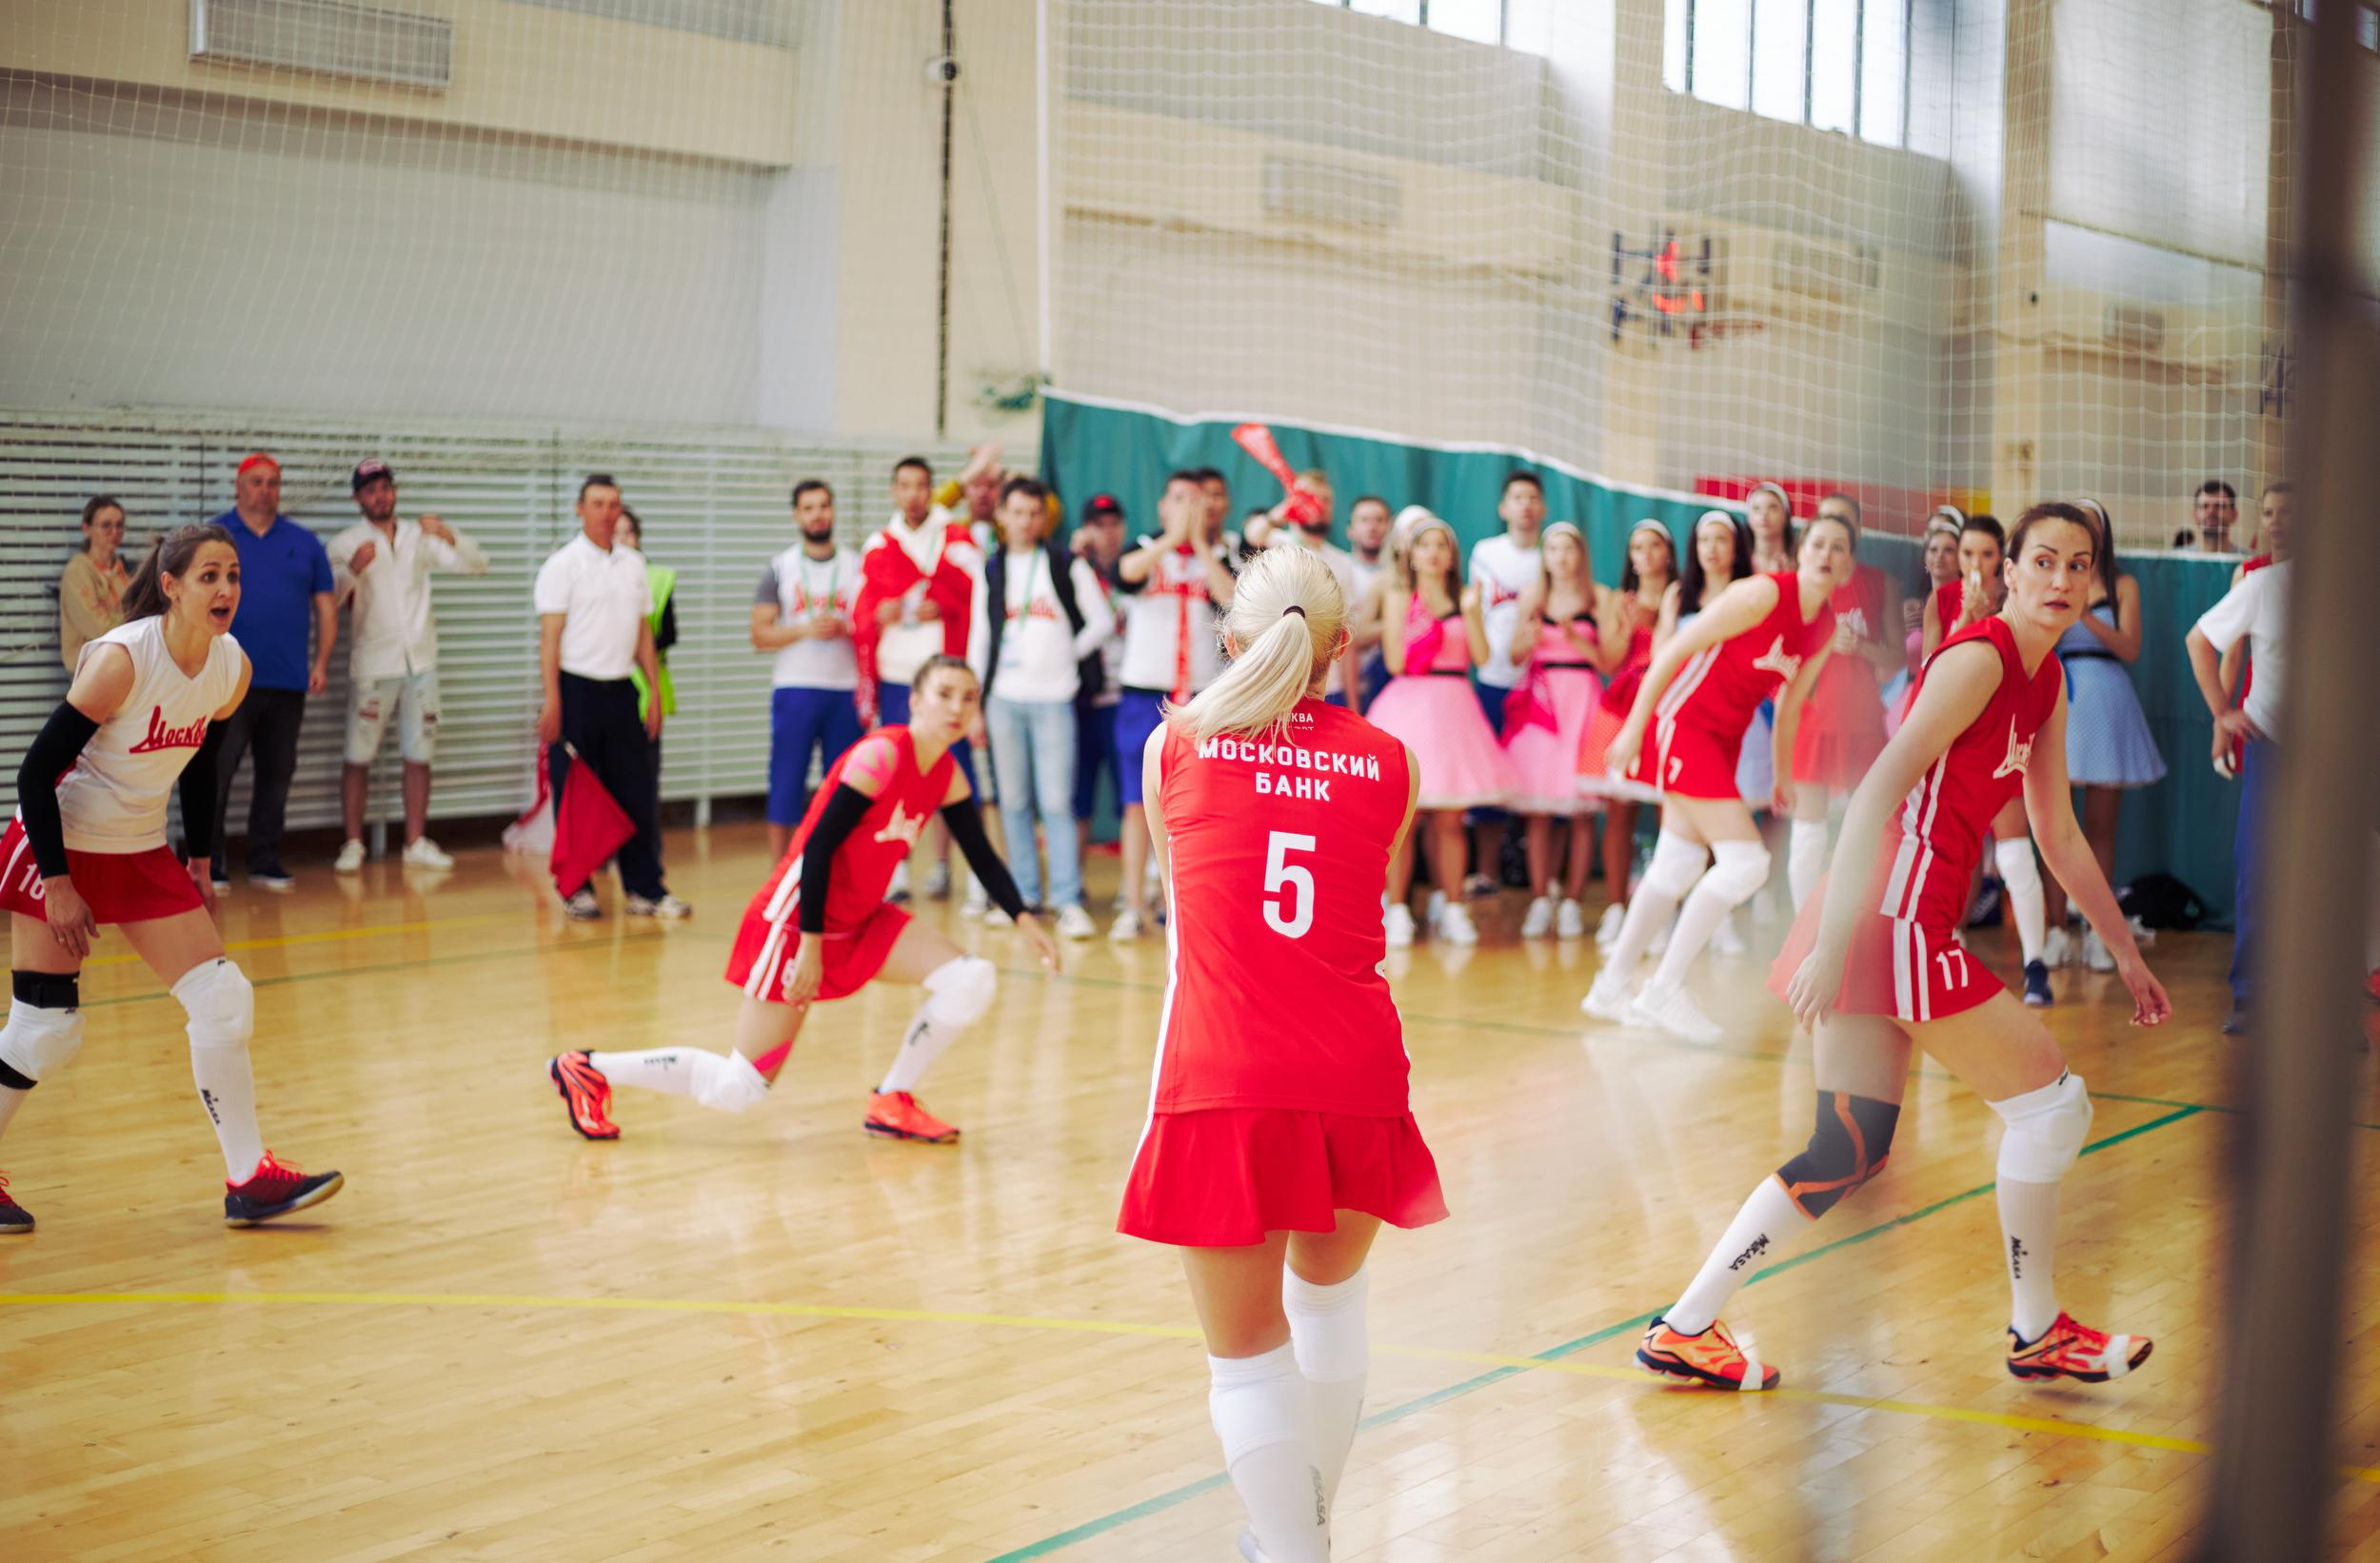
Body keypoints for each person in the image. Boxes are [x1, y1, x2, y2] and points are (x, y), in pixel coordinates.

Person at [1636, 504, 2168, 1392]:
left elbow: (2060, 835)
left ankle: (1683, 1326)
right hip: (1884, 917)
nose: (2062, 580)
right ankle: (2035, 1330)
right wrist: (1832, 943)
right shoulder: (1978, 659)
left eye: (2080, 566)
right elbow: (1873, 795)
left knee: (1846, 1149)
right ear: (2007, 573)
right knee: (2053, 1107)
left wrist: (2128, 954)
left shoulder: (2048, 684)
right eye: (2044, 560)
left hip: (1884, 923)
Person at [1118, 544, 1445, 1563]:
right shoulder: (1394, 760)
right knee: (1329, 1311)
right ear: (1343, 648)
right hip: (1357, 1071)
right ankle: (1298, 1532)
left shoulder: (1171, 746)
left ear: (1228, 640)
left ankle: (1294, 1545)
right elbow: (1363, 894)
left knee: (1248, 1365)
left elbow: (1185, 914)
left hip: (1227, 1072)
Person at [549, 656, 1060, 1147]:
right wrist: (810, 948)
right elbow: (817, 849)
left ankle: (891, 1101)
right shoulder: (880, 756)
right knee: (740, 1087)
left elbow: (983, 857)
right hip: (797, 922)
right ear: (916, 701)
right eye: (944, 694)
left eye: (967, 699)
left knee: (971, 978)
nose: (956, 707)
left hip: (860, 918)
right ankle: (589, 1069)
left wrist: (1025, 920)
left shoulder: (947, 774)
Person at [0, 524, 345, 1234]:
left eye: (234, 577)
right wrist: (59, 883)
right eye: (210, 577)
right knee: (44, 1034)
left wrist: (199, 863)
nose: (226, 590)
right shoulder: (125, 660)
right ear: (172, 587)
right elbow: (36, 773)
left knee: (224, 1000)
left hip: (139, 847)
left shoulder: (230, 668)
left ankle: (249, 1179)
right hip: (57, 841)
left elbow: (201, 765)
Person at [1580, 515, 1845, 1041]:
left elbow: (1790, 706)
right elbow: (1673, 651)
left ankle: (1610, 987)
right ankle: (1663, 987)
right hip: (1682, 724)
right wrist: (1635, 728)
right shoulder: (1762, 594)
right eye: (1817, 543)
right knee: (1747, 863)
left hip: (1723, 739)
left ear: (1849, 565)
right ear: (1800, 551)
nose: (1826, 554)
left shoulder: (1825, 628)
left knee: (1677, 863)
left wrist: (1783, 771)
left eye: (1839, 548)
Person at [533, 474, 686, 921]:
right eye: (598, 504)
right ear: (580, 509)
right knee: (578, 795)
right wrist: (553, 700)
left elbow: (643, 632)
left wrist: (653, 692)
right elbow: (549, 639)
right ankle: (577, 888)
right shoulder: (562, 565)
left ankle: (645, 889)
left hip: (622, 692)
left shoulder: (634, 564)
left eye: (613, 504)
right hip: (576, 689)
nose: (607, 512)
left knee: (636, 792)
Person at [326, 458, 488, 873]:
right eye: (371, 489)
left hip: (421, 660)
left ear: (394, 491)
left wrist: (450, 535)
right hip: (374, 663)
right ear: (357, 497)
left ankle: (415, 841)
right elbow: (330, 599)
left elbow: (476, 564)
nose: (380, 495)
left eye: (386, 487)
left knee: (420, 752)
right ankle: (352, 843)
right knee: (357, 754)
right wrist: (352, 571)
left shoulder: (419, 536)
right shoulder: (345, 543)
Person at [968, 477, 1113, 940]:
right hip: (1003, 699)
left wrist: (1068, 653)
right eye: (1017, 512)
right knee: (1012, 801)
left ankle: (1067, 899)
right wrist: (974, 703)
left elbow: (1103, 621)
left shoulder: (1065, 564)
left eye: (1035, 513)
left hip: (1054, 698)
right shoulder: (990, 569)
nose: (1026, 521)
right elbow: (980, 638)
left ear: (1044, 517)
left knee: (1056, 802)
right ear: (1002, 516)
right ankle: (1025, 896)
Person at [1918, 513, 2053, 1006]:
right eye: (1966, 554)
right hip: (1955, 743)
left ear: (2004, 560)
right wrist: (1966, 621)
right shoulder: (1945, 600)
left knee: (2016, 854)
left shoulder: (2021, 603)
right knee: (1947, 851)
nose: (1975, 563)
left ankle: (2036, 965)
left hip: (2006, 738)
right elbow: (1932, 675)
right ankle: (1942, 949)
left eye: (1986, 554)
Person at [1367, 510, 1515, 947]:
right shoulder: (1399, 597)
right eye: (1424, 545)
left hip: (1454, 712)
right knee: (1402, 821)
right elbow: (1394, 662)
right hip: (1409, 705)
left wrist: (1470, 614)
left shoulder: (1467, 597)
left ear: (1452, 556)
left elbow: (1484, 659)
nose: (1432, 554)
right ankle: (1396, 911)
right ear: (1410, 555)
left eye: (1441, 546)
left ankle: (1452, 908)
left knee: (1451, 821)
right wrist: (1420, 626)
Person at [1109, 471, 1239, 942]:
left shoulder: (1219, 558)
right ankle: (1133, 904)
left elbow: (1233, 601)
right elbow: (1127, 574)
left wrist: (1201, 546)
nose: (1188, 508)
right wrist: (1172, 540)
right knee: (1134, 802)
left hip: (1204, 698)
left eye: (1198, 501)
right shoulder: (1144, 550)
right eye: (1180, 499)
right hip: (1146, 692)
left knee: (1200, 802)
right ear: (1163, 505)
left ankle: (1187, 905)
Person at [2186, 492, 2295, 1036]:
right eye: (2271, 512)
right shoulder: (2261, 583)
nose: (2280, 523)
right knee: (2255, 864)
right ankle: (2250, 995)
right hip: (2272, 743)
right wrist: (2221, 715)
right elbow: (2202, 641)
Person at [200, 452, 335, 892]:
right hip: (225, 681)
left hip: (287, 680)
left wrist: (320, 662)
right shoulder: (214, 537)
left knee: (277, 773)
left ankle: (264, 860)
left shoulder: (304, 541)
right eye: (256, 482)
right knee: (216, 772)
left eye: (273, 482)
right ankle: (208, 863)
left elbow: (326, 606)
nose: (265, 490)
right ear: (239, 487)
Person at [854, 456, 984, 905]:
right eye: (904, 486)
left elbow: (976, 595)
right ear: (893, 491)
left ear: (931, 490)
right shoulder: (879, 545)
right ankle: (898, 868)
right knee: (897, 774)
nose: (912, 494)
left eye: (920, 486)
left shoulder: (955, 539)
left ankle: (950, 867)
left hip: (945, 679)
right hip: (897, 678)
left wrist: (944, 603)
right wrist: (879, 613)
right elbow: (863, 610)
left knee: (954, 774)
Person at [2041, 500, 2164, 971]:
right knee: (2054, 827)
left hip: (2108, 705)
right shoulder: (2053, 579)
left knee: (2099, 829)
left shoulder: (2124, 585)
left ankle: (2097, 932)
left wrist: (2085, 615)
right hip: (2059, 702)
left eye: (2090, 528)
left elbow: (2130, 647)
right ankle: (2056, 930)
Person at [1503, 523, 1623, 940]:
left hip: (1584, 700)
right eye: (1553, 549)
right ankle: (1540, 899)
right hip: (1543, 702)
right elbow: (1514, 656)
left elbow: (1609, 663)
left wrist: (1578, 639)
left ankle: (1572, 901)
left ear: (1580, 554)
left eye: (1569, 548)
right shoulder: (1534, 598)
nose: (1561, 557)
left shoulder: (1600, 597)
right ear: (1545, 555)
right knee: (1539, 811)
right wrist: (1527, 639)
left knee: (1582, 812)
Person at [1786, 494, 1900, 912]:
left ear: (1856, 536)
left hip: (1862, 719)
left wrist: (1859, 646)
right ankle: (1802, 924)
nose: (1833, 540)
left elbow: (1896, 660)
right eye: (1826, 525)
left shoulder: (1879, 582)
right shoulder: (1795, 584)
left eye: (1844, 529)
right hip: (1812, 719)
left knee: (1867, 826)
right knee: (1808, 830)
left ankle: (1860, 921)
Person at [1656, 508, 1757, 956]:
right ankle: (1660, 918)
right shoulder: (1680, 594)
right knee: (1676, 829)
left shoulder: (1748, 593)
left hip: (1731, 723)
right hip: (1682, 720)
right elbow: (1662, 654)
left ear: (1736, 547)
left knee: (1725, 829)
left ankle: (1721, 919)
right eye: (1704, 540)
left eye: (1721, 539)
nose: (1712, 548)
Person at [1575, 520, 1676, 948]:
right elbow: (1611, 660)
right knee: (1618, 809)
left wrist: (1653, 624)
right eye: (1637, 547)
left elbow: (1667, 654)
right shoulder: (1620, 599)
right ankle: (1617, 908)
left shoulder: (1679, 593)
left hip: (1666, 706)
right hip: (1622, 706)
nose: (1645, 554)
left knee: (1672, 814)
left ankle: (1664, 912)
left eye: (1653, 546)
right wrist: (1627, 625)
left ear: (1668, 553)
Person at [755, 480, 863, 863]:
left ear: (833, 510)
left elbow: (871, 624)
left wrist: (846, 627)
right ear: (796, 515)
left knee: (847, 786)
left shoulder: (857, 565)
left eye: (823, 506)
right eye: (808, 507)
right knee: (786, 782)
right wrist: (804, 628)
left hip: (844, 687)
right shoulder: (781, 567)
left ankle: (841, 867)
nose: (817, 514)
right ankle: (779, 871)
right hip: (796, 688)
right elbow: (760, 634)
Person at [1465, 472, 1547, 898]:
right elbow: (1473, 611)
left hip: (1540, 683)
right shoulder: (1486, 552)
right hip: (1493, 677)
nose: (1526, 505)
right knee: (1488, 780)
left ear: (1543, 507)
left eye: (1533, 497)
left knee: (1544, 782)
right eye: (1517, 497)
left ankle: (1541, 880)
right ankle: (1487, 872)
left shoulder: (1550, 556)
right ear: (1504, 507)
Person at [1068, 494, 1130, 877]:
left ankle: (1133, 889)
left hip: (1125, 698)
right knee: (1079, 796)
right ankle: (1071, 883)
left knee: (1133, 799)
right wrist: (1076, 558)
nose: (1107, 533)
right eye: (1098, 524)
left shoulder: (1136, 569)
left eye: (1113, 524)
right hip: (1083, 697)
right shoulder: (1073, 569)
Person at [613, 508, 678, 736]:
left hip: (645, 677)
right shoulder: (594, 575)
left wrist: (640, 652)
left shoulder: (657, 578)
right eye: (615, 533)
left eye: (629, 532)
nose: (622, 539)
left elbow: (668, 634)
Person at [59, 496, 132, 671]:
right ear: (87, 529)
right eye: (106, 525)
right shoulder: (77, 571)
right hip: (90, 670)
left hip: (123, 665)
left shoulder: (124, 570)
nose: (114, 531)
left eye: (119, 525)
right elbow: (98, 627)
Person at [1345, 494, 1395, 713]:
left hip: (1391, 683)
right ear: (1350, 529)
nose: (1372, 527)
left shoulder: (1401, 576)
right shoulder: (1339, 570)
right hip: (1345, 681)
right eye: (1364, 520)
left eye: (1379, 520)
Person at [2173, 478, 2238, 553]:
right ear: (2195, 515)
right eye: (2204, 506)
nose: (2211, 512)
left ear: (2234, 515)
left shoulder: (2249, 560)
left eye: (2219, 506)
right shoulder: (2176, 559)